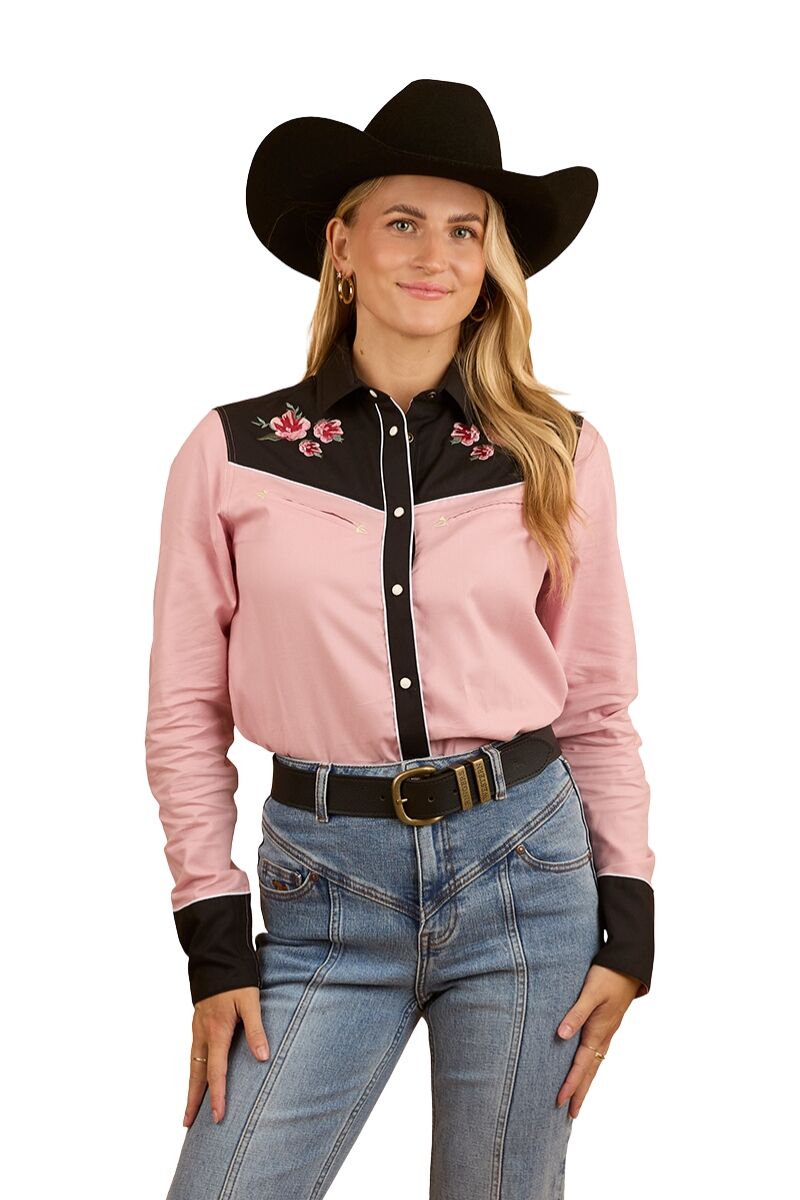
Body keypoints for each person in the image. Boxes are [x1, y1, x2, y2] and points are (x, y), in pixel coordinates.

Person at [145, 78, 655, 1199]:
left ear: (491, 262)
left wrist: (629, 918)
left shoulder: (555, 450)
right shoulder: (232, 452)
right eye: (403, 222)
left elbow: (595, 704)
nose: (435, 255)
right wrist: (213, 939)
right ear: (341, 246)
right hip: (324, 891)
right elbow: (185, 713)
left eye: (465, 230)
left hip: (527, 877)